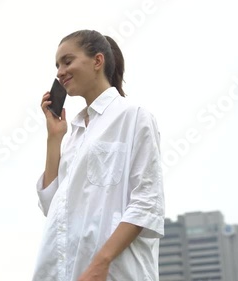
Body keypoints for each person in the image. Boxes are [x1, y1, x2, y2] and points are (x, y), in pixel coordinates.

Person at [32, 29, 165, 281]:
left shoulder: (133, 116)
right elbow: (53, 207)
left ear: (97, 61)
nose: (60, 72)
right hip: (65, 272)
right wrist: (54, 137)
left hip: (114, 272)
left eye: (67, 61)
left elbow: (147, 203)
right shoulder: (75, 134)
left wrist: (99, 264)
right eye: (57, 65)